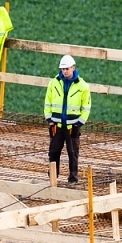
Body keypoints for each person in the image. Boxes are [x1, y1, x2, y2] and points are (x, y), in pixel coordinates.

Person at [43, 54, 91, 184]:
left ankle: (73, 179)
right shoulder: (53, 83)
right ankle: (53, 177)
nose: (65, 71)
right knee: (53, 152)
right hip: (57, 125)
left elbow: (86, 107)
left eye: (67, 69)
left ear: (73, 68)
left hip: (72, 126)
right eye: (63, 69)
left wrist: (79, 123)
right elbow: (47, 102)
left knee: (73, 153)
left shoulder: (83, 86)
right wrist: (49, 120)